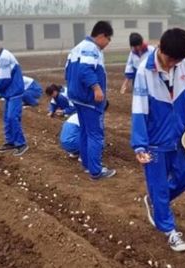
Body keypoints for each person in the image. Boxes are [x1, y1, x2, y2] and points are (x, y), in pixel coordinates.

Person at [131, 28, 185, 252]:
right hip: (154, 140)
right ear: (160, 47)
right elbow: (139, 109)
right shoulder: (144, 71)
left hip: (178, 134)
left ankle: (157, 204)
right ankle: (169, 230)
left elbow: (183, 97)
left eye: (177, 61)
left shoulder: (183, 64)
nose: (171, 64)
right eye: (169, 59)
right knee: (159, 188)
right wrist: (140, 144)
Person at [66, 21, 116, 180]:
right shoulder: (92, 48)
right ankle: (96, 171)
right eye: (108, 39)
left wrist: (74, 88)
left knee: (85, 131)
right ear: (102, 36)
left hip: (77, 97)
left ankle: (87, 165)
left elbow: (67, 71)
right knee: (95, 134)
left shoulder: (77, 47)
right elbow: (85, 70)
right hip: (89, 99)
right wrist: (96, 88)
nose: (107, 44)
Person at [0, 34, 28, 157]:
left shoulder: (4, 57)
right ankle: (10, 142)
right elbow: (1, 76)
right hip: (9, 92)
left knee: (13, 117)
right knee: (7, 118)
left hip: (14, 92)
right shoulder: (0, 56)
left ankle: (21, 143)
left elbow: (5, 79)